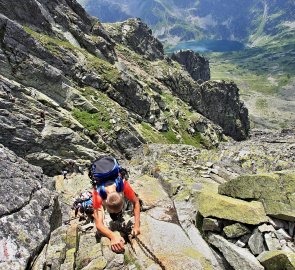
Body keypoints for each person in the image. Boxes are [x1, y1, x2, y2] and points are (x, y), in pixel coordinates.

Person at [89, 156, 140, 253]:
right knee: (102, 216)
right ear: (104, 203)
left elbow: (136, 202)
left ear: (121, 195)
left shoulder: (123, 184)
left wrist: (136, 226)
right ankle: (115, 217)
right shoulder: (97, 194)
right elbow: (98, 224)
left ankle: (117, 216)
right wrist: (113, 236)